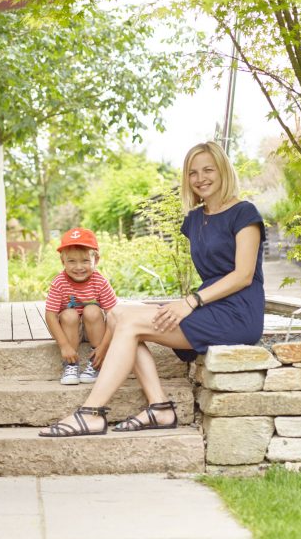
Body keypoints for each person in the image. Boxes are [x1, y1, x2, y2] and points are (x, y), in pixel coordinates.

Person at [40, 141, 266, 437]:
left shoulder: (244, 213)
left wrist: (190, 302)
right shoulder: (195, 219)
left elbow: (242, 275)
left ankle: (92, 412)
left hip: (237, 313)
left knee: (130, 322)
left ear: (223, 170)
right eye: (193, 172)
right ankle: (159, 407)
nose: (201, 178)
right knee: (120, 315)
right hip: (208, 305)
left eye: (208, 169)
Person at [44, 228, 118, 386]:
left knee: (92, 310)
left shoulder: (100, 282)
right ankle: (71, 364)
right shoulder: (59, 283)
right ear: (63, 261)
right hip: (70, 330)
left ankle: (96, 362)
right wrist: (64, 346)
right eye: (72, 261)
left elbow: (115, 316)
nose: (79, 267)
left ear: (96, 260)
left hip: (95, 328)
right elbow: (50, 315)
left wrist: (104, 347)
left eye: (85, 261)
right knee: (68, 314)